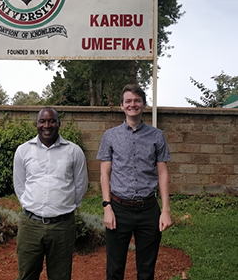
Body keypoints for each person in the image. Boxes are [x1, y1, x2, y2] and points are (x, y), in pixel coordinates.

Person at [97, 84, 172, 280]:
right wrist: (107, 207)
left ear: (144, 105)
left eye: (137, 100)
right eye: (128, 101)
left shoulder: (157, 136)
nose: (133, 104)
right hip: (119, 209)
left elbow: (163, 173)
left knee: (147, 270)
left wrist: (165, 210)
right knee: (114, 268)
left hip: (149, 210)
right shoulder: (110, 136)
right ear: (122, 106)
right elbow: (105, 173)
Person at [13, 107, 88, 280]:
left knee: (60, 276)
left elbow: (80, 186)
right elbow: (19, 185)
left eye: (52, 121)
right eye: (43, 121)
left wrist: (63, 207)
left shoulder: (74, 151)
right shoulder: (23, 151)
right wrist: (30, 205)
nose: (47, 125)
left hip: (62, 226)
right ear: (36, 124)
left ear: (59, 124)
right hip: (30, 226)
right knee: (26, 275)